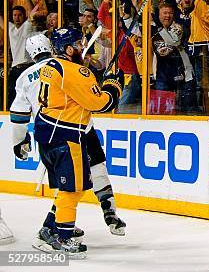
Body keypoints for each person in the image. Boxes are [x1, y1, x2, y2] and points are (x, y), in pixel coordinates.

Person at [10, 34, 127, 247]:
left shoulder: (32, 73)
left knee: (74, 184)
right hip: (74, 130)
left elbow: (18, 115)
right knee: (81, 180)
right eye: (79, 44)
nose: (82, 46)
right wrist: (112, 86)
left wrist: (19, 141)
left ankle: (55, 225)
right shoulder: (71, 69)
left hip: (48, 132)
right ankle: (96, 216)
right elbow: (95, 100)